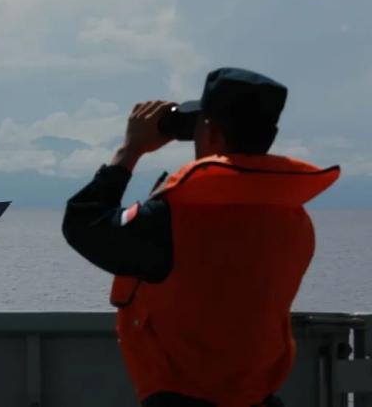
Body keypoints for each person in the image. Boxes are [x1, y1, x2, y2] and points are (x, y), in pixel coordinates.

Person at [62, 68, 340, 407]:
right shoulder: (295, 220)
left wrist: (131, 150)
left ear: (209, 132)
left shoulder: (172, 218)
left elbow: (83, 223)